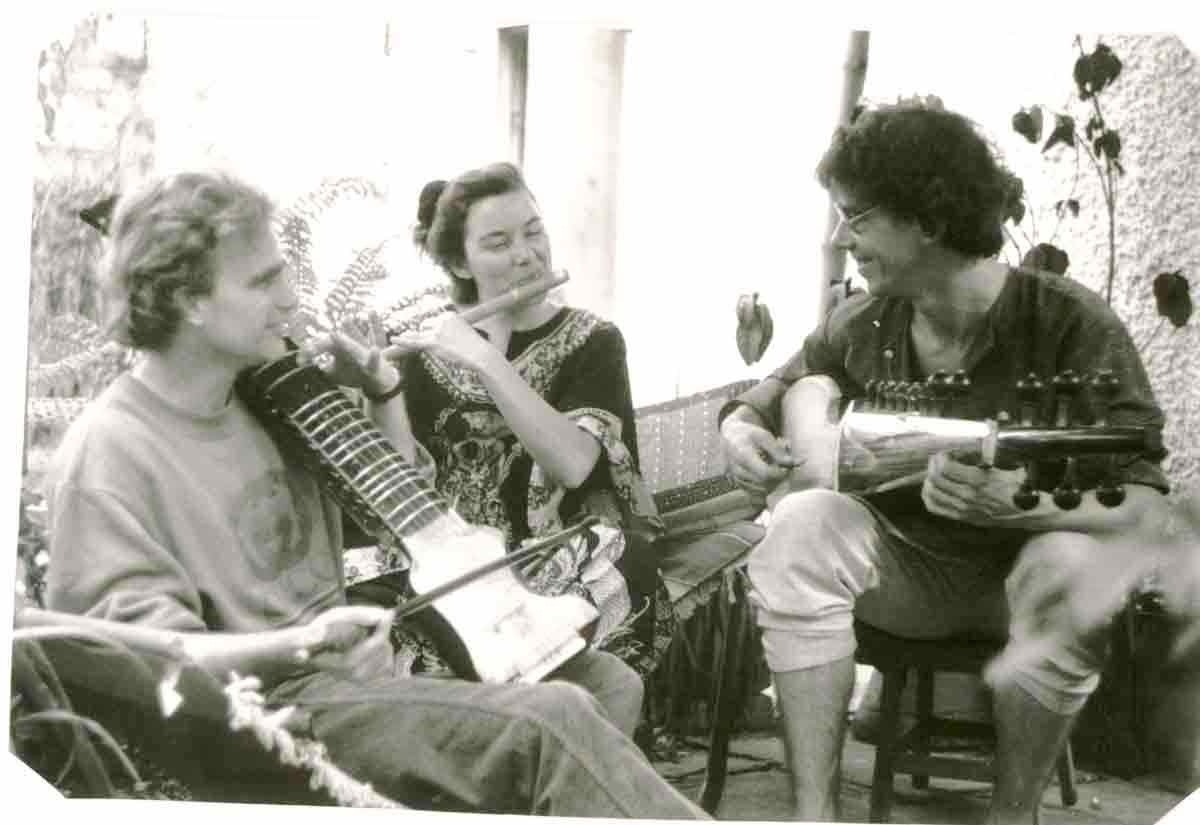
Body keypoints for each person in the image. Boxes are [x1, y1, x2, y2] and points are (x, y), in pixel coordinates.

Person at [43, 169, 705, 818]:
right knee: (550, 722)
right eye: (265, 280)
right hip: (269, 718)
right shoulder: (112, 452)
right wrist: (299, 644)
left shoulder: (267, 399)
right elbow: (143, 665)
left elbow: (399, 510)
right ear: (191, 301)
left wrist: (383, 390)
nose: (290, 301)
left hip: (359, 681)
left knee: (602, 680)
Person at [718, 100, 1171, 823]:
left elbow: (1148, 507)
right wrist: (740, 431)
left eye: (859, 218)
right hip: (904, 575)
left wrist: (1019, 502)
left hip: (1021, 581)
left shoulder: (1071, 324)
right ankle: (815, 815)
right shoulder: (862, 321)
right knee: (800, 523)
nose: (844, 238)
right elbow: (763, 398)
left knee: (1071, 567)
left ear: (926, 220)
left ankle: (1011, 814)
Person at [367, 164, 674, 687]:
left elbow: (576, 465)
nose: (527, 255)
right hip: (450, 566)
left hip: (561, 558)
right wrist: (381, 385)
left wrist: (488, 362)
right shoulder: (423, 348)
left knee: (592, 620)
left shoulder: (593, 340)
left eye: (534, 232)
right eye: (498, 243)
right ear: (462, 265)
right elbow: (394, 494)